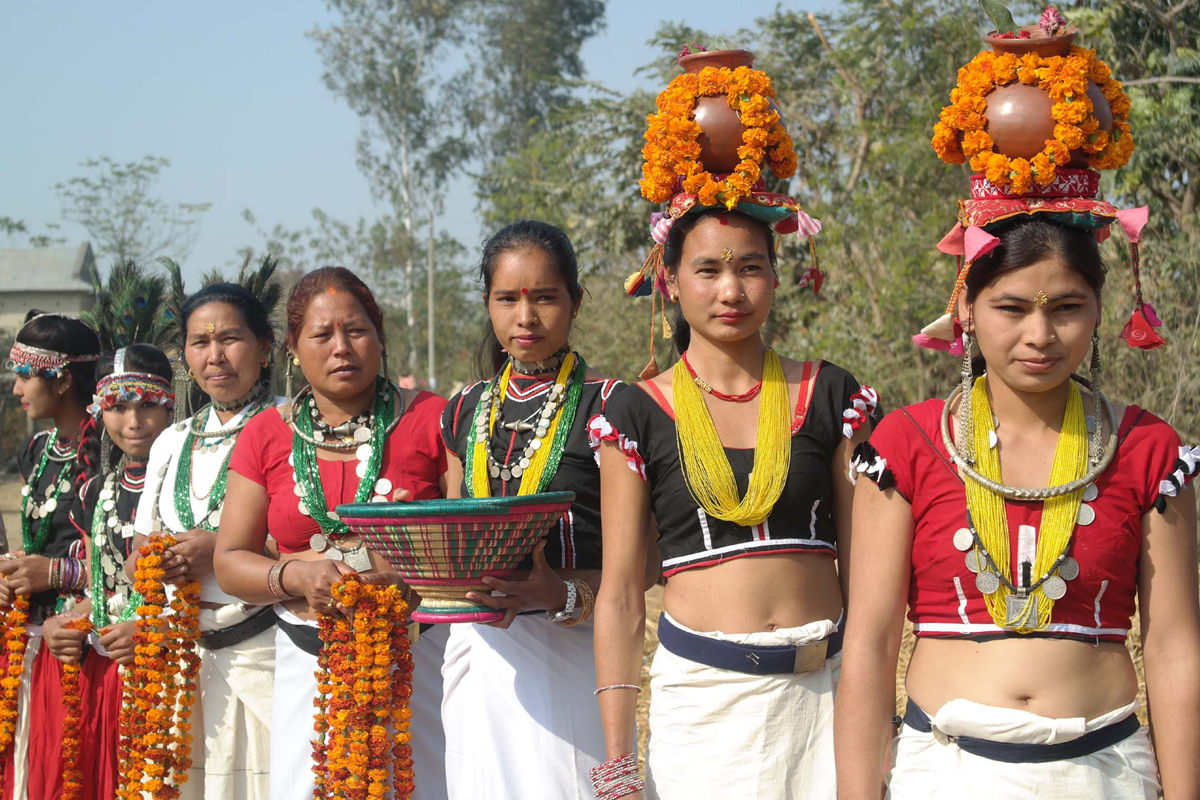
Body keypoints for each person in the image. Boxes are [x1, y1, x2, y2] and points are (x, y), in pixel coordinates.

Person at [835, 29, 1200, 794]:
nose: (1040, 335)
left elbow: (1173, 647)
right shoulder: (906, 444)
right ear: (965, 306)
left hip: (1106, 772)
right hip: (948, 771)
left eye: (1066, 307)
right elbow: (868, 646)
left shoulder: (1146, 451)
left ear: (1102, 309)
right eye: (1011, 308)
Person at [592, 48, 876, 799]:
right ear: (670, 283)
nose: (731, 289)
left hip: (827, 699)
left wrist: (875, 720)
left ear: (777, 279)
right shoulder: (637, 411)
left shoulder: (829, 394)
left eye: (750, 267)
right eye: (708, 270)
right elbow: (621, 595)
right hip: (704, 712)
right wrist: (619, 757)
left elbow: (868, 576)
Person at [213, 266, 449, 800]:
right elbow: (229, 561)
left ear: (380, 336)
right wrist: (296, 575)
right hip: (307, 659)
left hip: (419, 659)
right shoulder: (265, 434)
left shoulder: (432, 417)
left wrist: (406, 565)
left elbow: (466, 541)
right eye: (321, 335)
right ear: (293, 348)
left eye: (357, 331)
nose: (342, 348)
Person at [439, 220, 639, 798]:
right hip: (480, 647)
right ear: (488, 304)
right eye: (507, 299)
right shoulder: (463, 410)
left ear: (575, 302)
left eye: (545, 297)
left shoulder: (615, 407)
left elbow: (645, 568)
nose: (525, 317)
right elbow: (458, 529)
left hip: (578, 647)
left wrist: (561, 594)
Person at [131, 268, 283, 800]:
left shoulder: (290, 427)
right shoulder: (171, 441)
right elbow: (136, 551)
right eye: (200, 342)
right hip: (180, 664)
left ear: (265, 348)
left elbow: (310, 543)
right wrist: (156, 560)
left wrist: (219, 552)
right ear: (185, 357)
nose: (215, 356)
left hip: (266, 650)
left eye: (230, 339)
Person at [42, 344, 176, 800]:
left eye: (148, 405)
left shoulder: (187, 483)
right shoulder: (97, 489)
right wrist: (67, 620)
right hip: (106, 666)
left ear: (171, 404)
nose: (133, 421)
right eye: (118, 407)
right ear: (99, 411)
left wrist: (151, 627)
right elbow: (103, 584)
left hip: (172, 663)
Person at [1, 311, 101, 799]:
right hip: (28, 636)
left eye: (24, 374)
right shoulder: (36, 449)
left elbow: (124, 562)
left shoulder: (107, 451)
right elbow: (37, 539)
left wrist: (55, 572)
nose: (16, 386)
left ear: (60, 380)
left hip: (80, 641)